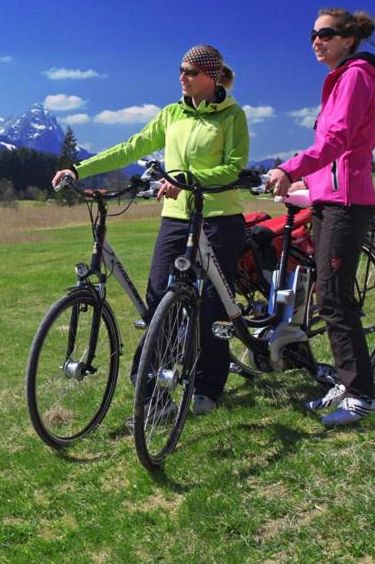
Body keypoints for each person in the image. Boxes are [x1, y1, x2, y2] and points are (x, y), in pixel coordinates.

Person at [52, 45, 249, 417]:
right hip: (176, 217)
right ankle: (154, 395)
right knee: (160, 298)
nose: (182, 77)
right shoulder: (172, 114)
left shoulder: (232, 116)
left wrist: (188, 178)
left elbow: (234, 168)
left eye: (190, 72)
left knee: (212, 305)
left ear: (210, 76)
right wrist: (78, 168)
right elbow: (131, 147)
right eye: (180, 70)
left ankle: (208, 384)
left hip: (219, 216)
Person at [265, 8, 375, 427]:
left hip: (348, 204)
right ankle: (346, 380)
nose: (316, 41)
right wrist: (307, 190)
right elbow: (334, 152)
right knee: (330, 298)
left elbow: (339, 142)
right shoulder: (341, 79)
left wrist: (289, 168)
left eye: (326, 34)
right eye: (313, 35)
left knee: (336, 299)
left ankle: (361, 396)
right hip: (331, 198)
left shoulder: (355, 76)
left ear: (348, 39)